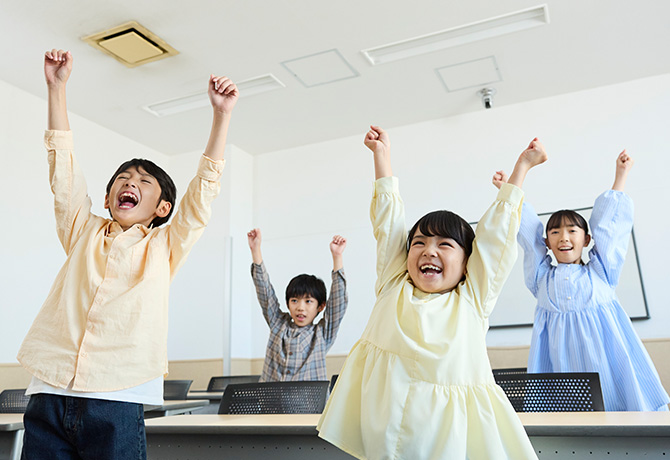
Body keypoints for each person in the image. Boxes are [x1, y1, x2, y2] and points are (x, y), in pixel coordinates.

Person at [17, 48, 238, 459]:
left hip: (117, 398)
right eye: (122, 177)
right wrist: (56, 89)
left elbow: (202, 195)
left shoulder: (164, 246)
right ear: (108, 196)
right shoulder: (82, 231)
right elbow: (62, 168)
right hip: (49, 390)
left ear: (162, 208)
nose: (129, 182)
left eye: (143, 180)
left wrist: (221, 116)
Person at [317, 126, 546, 460]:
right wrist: (382, 157)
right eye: (420, 243)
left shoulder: (472, 300)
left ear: (469, 262)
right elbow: (388, 224)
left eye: (445, 245)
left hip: (445, 441)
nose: (428, 251)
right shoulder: (392, 283)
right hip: (384, 437)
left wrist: (521, 168)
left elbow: (496, 239)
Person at [495, 150, 670, 412]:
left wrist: (620, 175)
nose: (563, 237)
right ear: (548, 243)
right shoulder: (541, 278)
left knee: (622, 411)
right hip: (562, 370)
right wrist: (509, 187)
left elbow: (611, 229)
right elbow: (527, 235)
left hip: (609, 365)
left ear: (586, 240)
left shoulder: (601, 272)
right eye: (554, 232)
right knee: (570, 424)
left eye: (572, 231)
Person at [247, 228, 348, 382]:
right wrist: (256, 250)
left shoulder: (322, 334)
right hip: (272, 404)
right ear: (288, 303)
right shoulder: (278, 324)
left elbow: (338, 303)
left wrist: (337, 257)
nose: (300, 307)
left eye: (308, 301)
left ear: (320, 306)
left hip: (308, 405)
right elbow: (265, 292)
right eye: (294, 301)